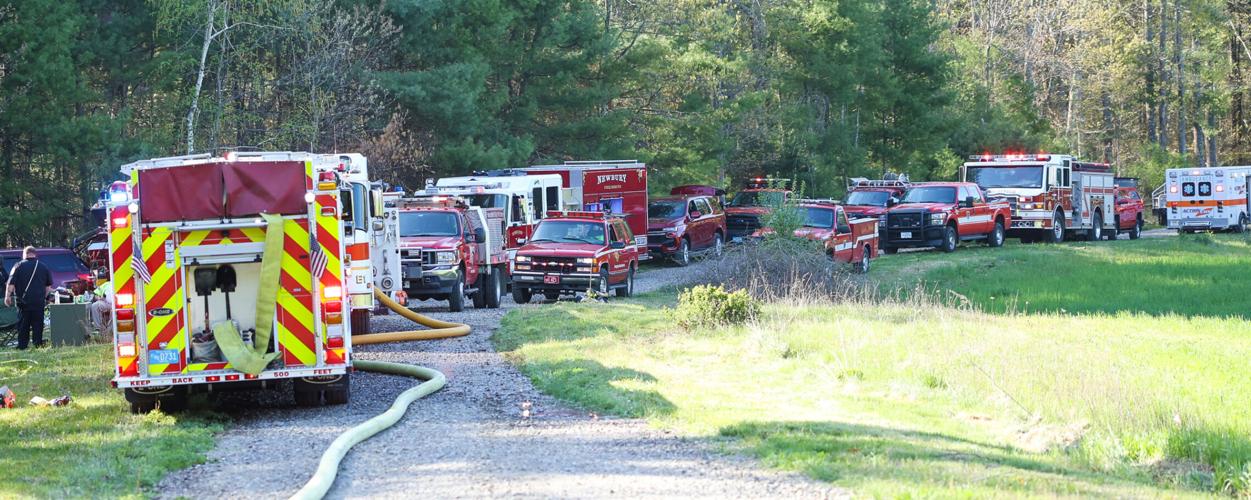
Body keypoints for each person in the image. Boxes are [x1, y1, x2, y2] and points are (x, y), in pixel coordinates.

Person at [5, 246, 54, 349]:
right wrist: (43, 297)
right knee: (38, 324)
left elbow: (11, 284)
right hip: (38, 302)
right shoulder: (43, 267)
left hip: (23, 302)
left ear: (24, 254)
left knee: (23, 325)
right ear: (35, 254)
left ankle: (23, 345)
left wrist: (7, 296)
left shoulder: (18, 266)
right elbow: (48, 287)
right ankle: (37, 343)